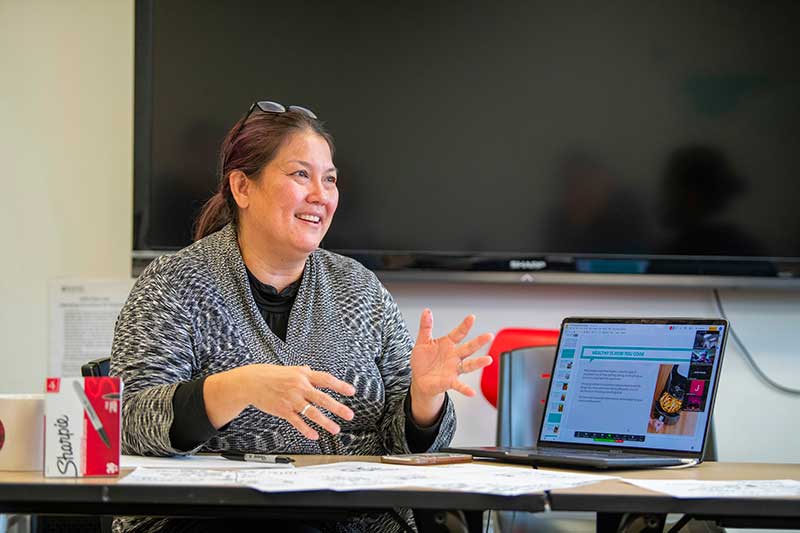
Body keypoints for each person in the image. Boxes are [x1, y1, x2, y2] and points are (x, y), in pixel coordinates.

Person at [110, 101, 494, 532]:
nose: (320, 195)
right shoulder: (173, 284)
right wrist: (237, 387)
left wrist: (424, 401)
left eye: (329, 179)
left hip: (356, 522)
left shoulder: (359, 288)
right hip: (212, 519)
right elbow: (126, 424)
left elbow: (411, 450)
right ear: (242, 188)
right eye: (300, 175)